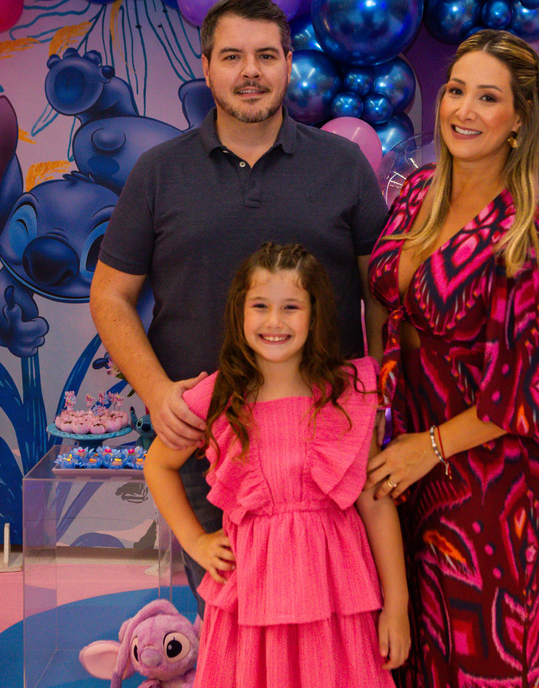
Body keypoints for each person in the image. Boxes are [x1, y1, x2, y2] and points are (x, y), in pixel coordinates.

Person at [91, 0, 389, 603]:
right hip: (207, 445)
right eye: (232, 56)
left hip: (326, 447)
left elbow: (381, 295)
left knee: (336, 619)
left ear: (288, 64)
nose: (250, 71)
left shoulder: (343, 166)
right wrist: (157, 392)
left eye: (266, 56)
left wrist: (381, 391)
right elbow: (110, 297)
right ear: (206, 68)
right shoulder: (158, 172)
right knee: (230, 621)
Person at [365, 29, 539, 687]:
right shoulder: (418, 192)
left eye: (488, 98)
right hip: (401, 462)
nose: (464, 110)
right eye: (456, 91)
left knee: (481, 657)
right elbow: (382, 305)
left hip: (489, 481)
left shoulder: (532, 229)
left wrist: (430, 448)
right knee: (404, 654)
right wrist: (376, 414)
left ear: (519, 119)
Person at [144, 242, 410, 686]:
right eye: (261, 306)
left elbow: (375, 500)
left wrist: (397, 605)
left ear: (314, 313)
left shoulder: (348, 393)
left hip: (334, 599)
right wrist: (196, 541)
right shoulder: (219, 396)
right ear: (239, 312)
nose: (275, 322)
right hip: (252, 600)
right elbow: (158, 465)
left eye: (291, 307)